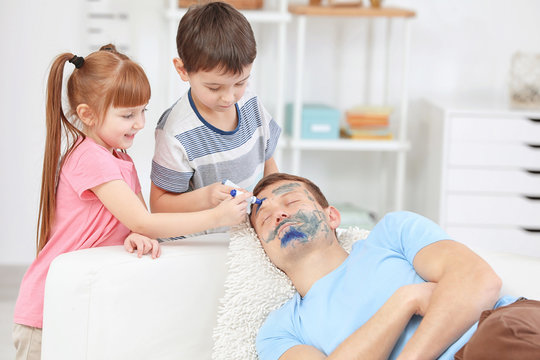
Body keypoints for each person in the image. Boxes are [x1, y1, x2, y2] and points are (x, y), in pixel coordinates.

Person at [12, 45, 251, 360]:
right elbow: (144, 220)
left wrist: (138, 231)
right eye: (128, 115)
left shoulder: (120, 159)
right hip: (48, 308)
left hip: (79, 299)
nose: (140, 123)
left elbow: (138, 220)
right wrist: (216, 218)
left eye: (143, 111)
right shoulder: (90, 158)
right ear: (87, 114)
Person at [249, 173, 540, 360]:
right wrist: (406, 300)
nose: (280, 213)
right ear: (262, 248)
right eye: (264, 217)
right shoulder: (279, 331)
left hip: (497, 331)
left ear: (332, 217)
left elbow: (479, 281)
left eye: (292, 200)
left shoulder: (392, 233)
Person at [150, 2, 281, 221]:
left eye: (240, 83)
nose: (229, 97)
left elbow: (269, 162)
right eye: (214, 87)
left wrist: (275, 200)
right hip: (197, 242)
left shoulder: (251, 105)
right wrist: (207, 198)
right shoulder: (176, 131)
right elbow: (159, 206)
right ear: (183, 70)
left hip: (241, 236)